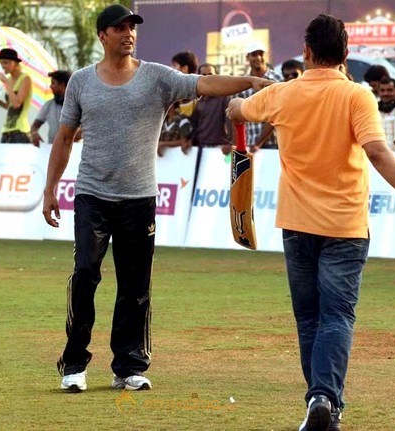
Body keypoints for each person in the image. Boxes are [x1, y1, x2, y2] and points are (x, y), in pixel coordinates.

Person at [42, 4, 270, 394]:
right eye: (119, 27)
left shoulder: (158, 78)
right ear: (103, 35)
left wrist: (252, 81)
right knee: (85, 275)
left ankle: (128, 367)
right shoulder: (81, 82)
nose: (128, 33)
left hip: (139, 198)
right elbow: (64, 139)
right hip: (92, 196)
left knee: (135, 286)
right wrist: (50, 190)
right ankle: (75, 364)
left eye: (132, 27)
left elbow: (205, 85)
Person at [226, 14, 395, 431]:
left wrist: (245, 97)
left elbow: (238, 109)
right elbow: (377, 152)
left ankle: (320, 403)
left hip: (297, 223)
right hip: (344, 225)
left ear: (306, 52)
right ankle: (325, 400)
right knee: (337, 316)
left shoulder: (283, 95)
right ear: (344, 55)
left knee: (309, 318)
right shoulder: (357, 96)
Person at [238, 41, 281, 151]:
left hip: (273, 144)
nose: (258, 58)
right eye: (254, 54)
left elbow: (276, 113)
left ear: (266, 56)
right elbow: (237, 117)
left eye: (260, 54)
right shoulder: (243, 83)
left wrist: (258, 143)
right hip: (248, 144)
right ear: (247, 57)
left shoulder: (277, 80)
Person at [0, 48, 33, 144]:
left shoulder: (25, 79)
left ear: (15, 63)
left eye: (6, 63)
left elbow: (17, 104)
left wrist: (6, 83)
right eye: (1, 63)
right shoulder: (9, 79)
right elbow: (10, 106)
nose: (3, 66)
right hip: (6, 130)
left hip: (20, 131)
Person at [191, 63, 232, 155]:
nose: (207, 78)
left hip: (220, 148)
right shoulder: (197, 98)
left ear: (217, 77)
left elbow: (231, 122)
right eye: (204, 75)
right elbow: (195, 124)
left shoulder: (224, 97)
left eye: (210, 75)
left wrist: (231, 144)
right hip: (200, 148)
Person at [30, 70, 72, 147]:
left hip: (74, 149)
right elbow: (34, 126)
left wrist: (67, 139)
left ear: (62, 84)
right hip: (53, 148)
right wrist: (34, 133)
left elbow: (85, 131)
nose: (50, 86)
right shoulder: (48, 104)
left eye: (53, 83)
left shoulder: (78, 104)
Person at [171, 51, 199, 118]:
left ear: (185, 68)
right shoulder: (171, 92)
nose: (171, 68)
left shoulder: (197, 93)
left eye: (174, 65)